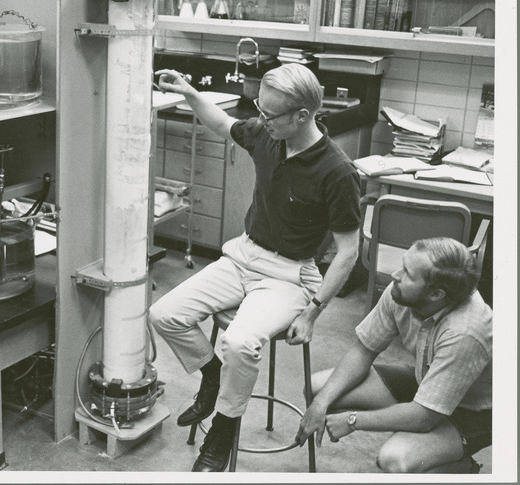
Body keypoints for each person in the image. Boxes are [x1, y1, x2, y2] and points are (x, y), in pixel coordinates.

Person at [150, 64, 361, 472]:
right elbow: (224, 123)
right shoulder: (268, 135)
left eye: (270, 114)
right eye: (260, 111)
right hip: (244, 256)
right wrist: (190, 91)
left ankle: (223, 432)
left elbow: (348, 252)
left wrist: (313, 312)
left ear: (302, 116)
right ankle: (212, 376)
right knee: (165, 313)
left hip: (290, 274)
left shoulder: (337, 172)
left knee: (240, 342)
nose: (261, 121)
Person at [295, 237, 491, 474]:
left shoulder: (465, 333)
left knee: (394, 459)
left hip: (475, 411)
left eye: (408, 273)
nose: (395, 274)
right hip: (427, 380)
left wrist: (352, 420)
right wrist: (320, 403)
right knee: (318, 389)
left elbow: (423, 417)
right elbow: (364, 349)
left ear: (436, 294)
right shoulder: (402, 291)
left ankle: (460, 468)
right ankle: (430, 451)